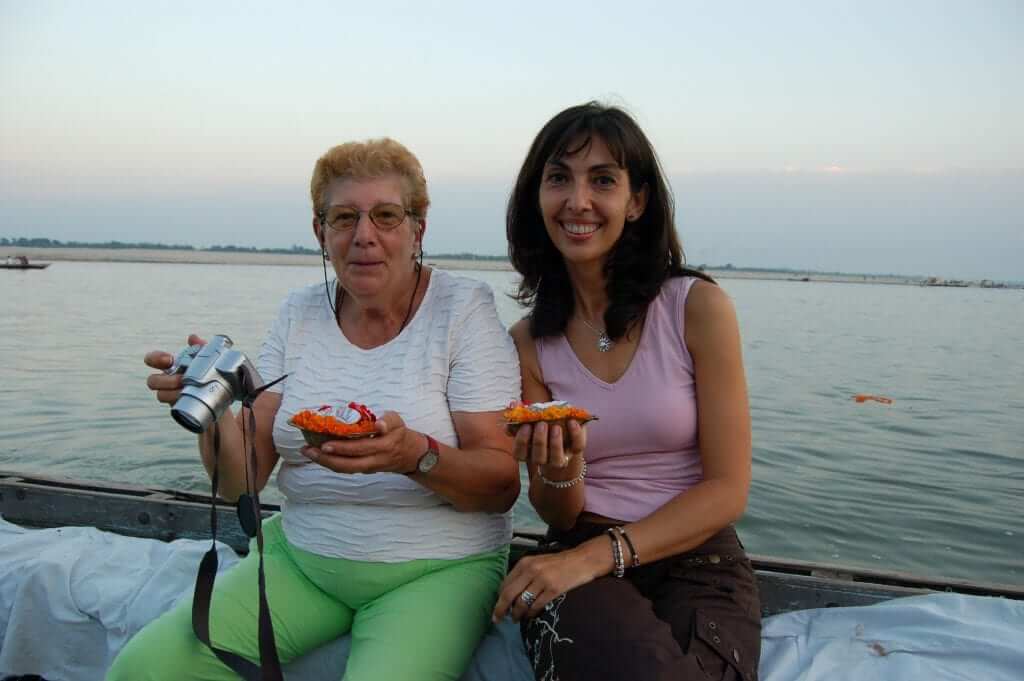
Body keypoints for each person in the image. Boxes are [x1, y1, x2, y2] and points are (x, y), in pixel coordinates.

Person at [108, 138, 522, 681]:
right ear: (319, 232)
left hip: (437, 570)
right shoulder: (299, 313)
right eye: (344, 217)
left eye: (386, 216)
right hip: (302, 562)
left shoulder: (463, 310)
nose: (364, 235)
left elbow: (501, 483)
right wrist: (213, 411)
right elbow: (242, 483)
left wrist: (413, 455)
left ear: (418, 229)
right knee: (142, 669)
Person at [492, 103, 762, 681]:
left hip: (700, 556)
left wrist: (598, 556)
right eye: (559, 178)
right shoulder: (529, 343)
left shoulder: (697, 308)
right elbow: (555, 508)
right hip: (577, 551)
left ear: (636, 201)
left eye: (603, 180)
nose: (578, 201)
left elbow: (728, 488)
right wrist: (564, 463)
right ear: (536, 199)